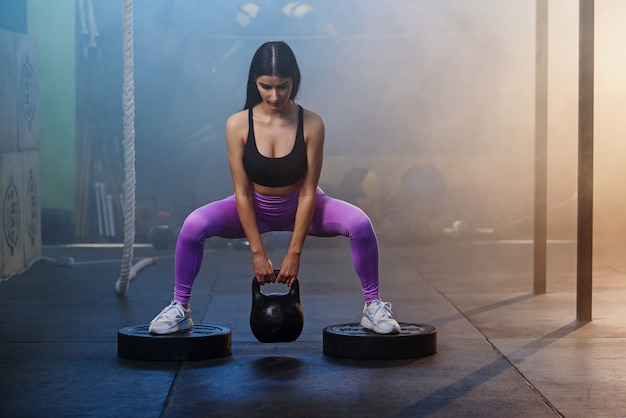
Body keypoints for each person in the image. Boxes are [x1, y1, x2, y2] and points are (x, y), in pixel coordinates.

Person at [149, 41, 400, 335]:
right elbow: (242, 192)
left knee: (360, 223)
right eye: (265, 86)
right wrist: (258, 253)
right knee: (193, 225)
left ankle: (373, 307)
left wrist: (294, 253)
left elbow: (308, 191)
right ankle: (181, 308)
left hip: (303, 205)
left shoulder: (312, 123)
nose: (274, 95)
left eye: (282, 86)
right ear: (254, 82)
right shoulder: (237, 125)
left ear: (294, 80)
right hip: (253, 207)